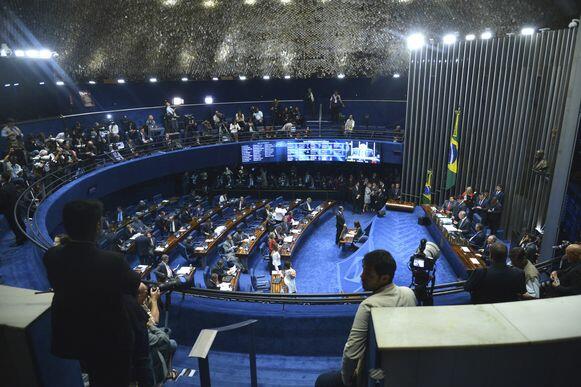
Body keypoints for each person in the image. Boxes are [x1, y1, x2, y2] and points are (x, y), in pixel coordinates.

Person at [43, 200, 141, 387]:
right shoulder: (113, 261)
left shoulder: (51, 256)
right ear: (97, 226)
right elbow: (132, 286)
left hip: (73, 334)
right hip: (110, 339)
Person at [315, 250, 416, 387]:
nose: (362, 276)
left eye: (369, 275)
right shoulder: (409, 293)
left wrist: (347, 380)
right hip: (403, 370)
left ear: (384, 278)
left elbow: (351, 353)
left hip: (374, 373)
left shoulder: (368, 305)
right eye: (363, 271)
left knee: (322, 381)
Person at [0, 172, 26, 245]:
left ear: (3, 178)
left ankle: (19, 240)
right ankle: (24, 236)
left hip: (9, 210)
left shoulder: (3, 189)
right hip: (16, 207)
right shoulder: (12, 185)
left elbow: (3, 203)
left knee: (14, 225)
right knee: (20, 222)